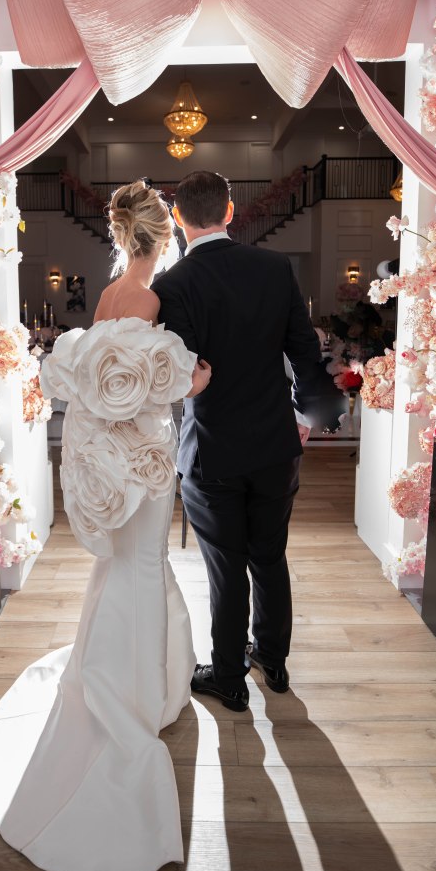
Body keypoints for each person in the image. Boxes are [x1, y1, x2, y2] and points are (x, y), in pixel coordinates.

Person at [0, 180, 210, 871]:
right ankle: (128, 693)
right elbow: (149, 388)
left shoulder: (108, 298)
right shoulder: (147, 299)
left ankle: (146, 681)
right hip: (140, 459)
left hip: (119, 459)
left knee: (131, 566)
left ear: (120, 235)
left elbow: (103, 387)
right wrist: (195, 383)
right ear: (161, 236)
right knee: (141, 566)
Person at [152, 170, 343, 713]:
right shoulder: (274, 268)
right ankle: (275, 663)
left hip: (212, 449)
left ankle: (230, 678)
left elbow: (185, 370)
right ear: (230, 212)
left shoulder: (173, 284)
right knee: (269, 556)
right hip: (274, 443)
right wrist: (313, 411)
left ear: (178, 219)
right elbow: (305, 352)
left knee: (225, 567)